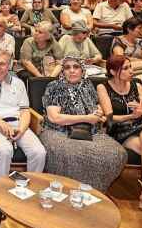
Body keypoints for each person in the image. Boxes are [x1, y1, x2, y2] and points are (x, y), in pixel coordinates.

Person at [97, 55, 142, 226]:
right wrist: (130, 116)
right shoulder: (103, 87)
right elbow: (109, 118)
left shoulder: (137, 86)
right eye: (126, 68)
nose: (131, 71)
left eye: (131, 67)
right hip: (122, 132)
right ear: (113, 71)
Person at [40, 56, 128, 192]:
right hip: (57, 131)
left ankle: (94, 191)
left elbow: (96, 106)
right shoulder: (54, 86)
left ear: (82, 70)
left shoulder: (87, 85)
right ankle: (68, 190)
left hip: (90, 131)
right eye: (67, 68)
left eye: (76, 67)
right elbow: (54, 118)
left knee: (117, 153)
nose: (72, 71)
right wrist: (86, 118)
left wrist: (98, 113)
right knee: (72, 153)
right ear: (62, 71)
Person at [0, 49, 45, 182]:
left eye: (2, 64)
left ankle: (30, 186)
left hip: (18, 125)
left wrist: (21, 130)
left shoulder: (18, 83)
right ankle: (2, 187)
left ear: (9, 64)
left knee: (39, 152)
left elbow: (25, 111)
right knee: (5, 150)